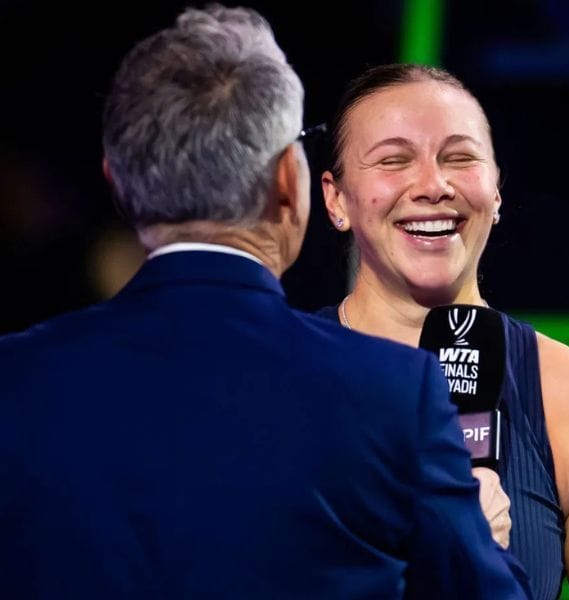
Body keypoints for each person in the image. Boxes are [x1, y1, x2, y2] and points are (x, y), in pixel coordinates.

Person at [0, 7, 528, 598]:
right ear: (288, 179)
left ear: (118, 182)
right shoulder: (392, 392)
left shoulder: (14, 379)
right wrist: (482, 539)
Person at [317, 64, 569, 600]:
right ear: (337, 200)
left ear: (496, 191)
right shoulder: (278, 380)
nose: (433, 185)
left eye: (460, 158)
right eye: (394, 160)